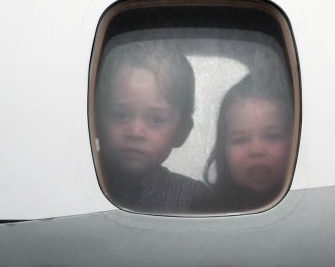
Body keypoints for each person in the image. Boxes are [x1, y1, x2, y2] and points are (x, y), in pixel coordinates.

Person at [95, 41, 208, 213]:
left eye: (156, 119)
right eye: (120, 115)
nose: (135, 132)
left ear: (182, 132)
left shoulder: (196, 200)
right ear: (94, 120)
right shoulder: (67, 184)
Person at [197, 72, 294, 212]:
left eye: (272, 136)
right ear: (224, 151)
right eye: (240, 140)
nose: (256, 150)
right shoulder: (207, 212)